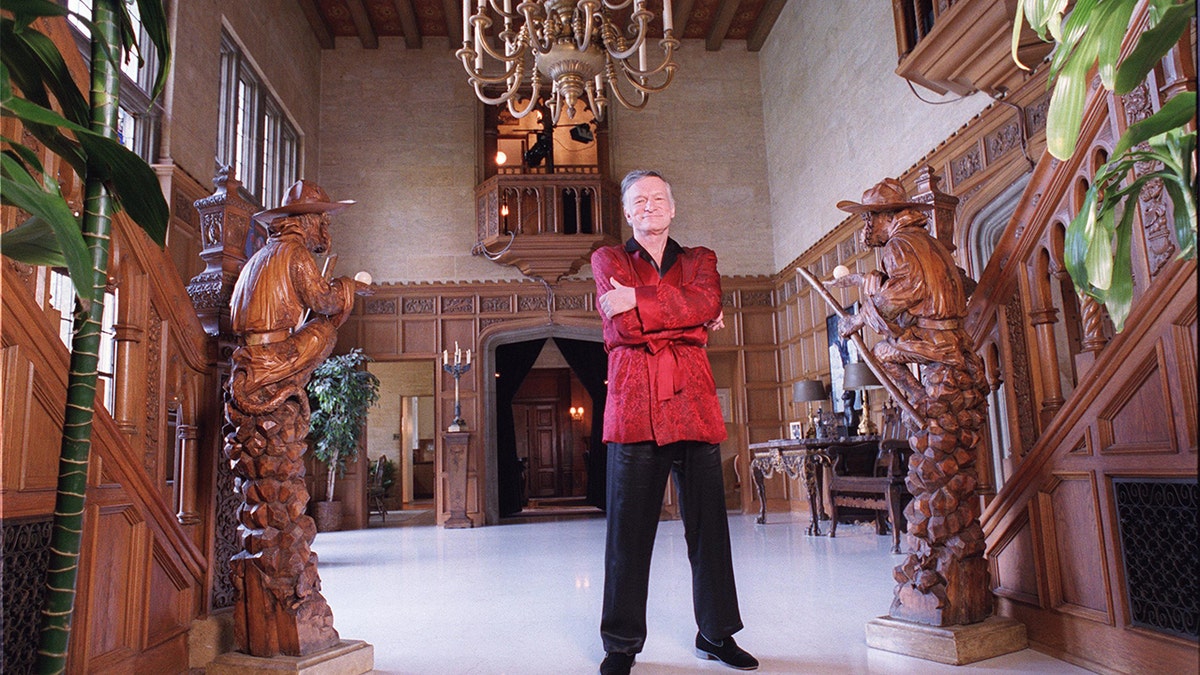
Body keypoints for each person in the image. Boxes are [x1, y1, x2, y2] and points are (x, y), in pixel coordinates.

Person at [592, 170, 757, 675]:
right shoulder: (608, 259)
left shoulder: (699, 259)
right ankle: (620, 645)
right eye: (638, 200)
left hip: (694, 405)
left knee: (709, 530)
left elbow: (707, 302)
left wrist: (639, 301)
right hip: (635, 407)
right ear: (626, 212)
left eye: (658, 198)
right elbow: (619, 329)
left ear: (673, 207)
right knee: (629, 534)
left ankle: (716, 634)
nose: (649, 206)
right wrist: (688, 324)